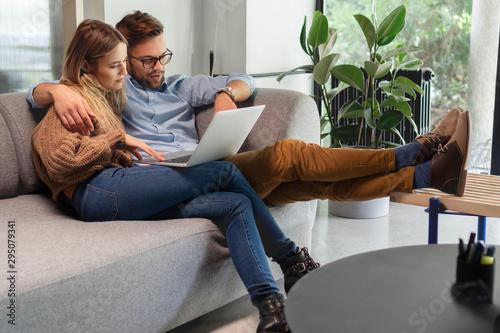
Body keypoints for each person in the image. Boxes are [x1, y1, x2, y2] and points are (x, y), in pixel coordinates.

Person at [30, 19, 320, 333]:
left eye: (124, 64)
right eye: (116, 66)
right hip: (95, 193)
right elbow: (59, 161)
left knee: (233, 204)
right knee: (224, 171)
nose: (124, 73)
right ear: (86, 66)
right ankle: (292, 259)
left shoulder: (105, 95)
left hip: (117, 190)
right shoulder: (73, 99)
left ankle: (272, 312)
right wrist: (114, 138)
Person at [27, 11, 471, 205]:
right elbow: (41, 94)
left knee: (314, 185)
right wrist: (57, 90)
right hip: (172, 178)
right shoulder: (112, 92)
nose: (157, 66)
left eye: (163, 56)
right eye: (145, 60)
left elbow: (247, 81)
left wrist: (227, 94)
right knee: (292, 155)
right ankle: (412, 152)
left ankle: (428, 176)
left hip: (211, 164)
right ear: (123, 58)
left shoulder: (182, 86)